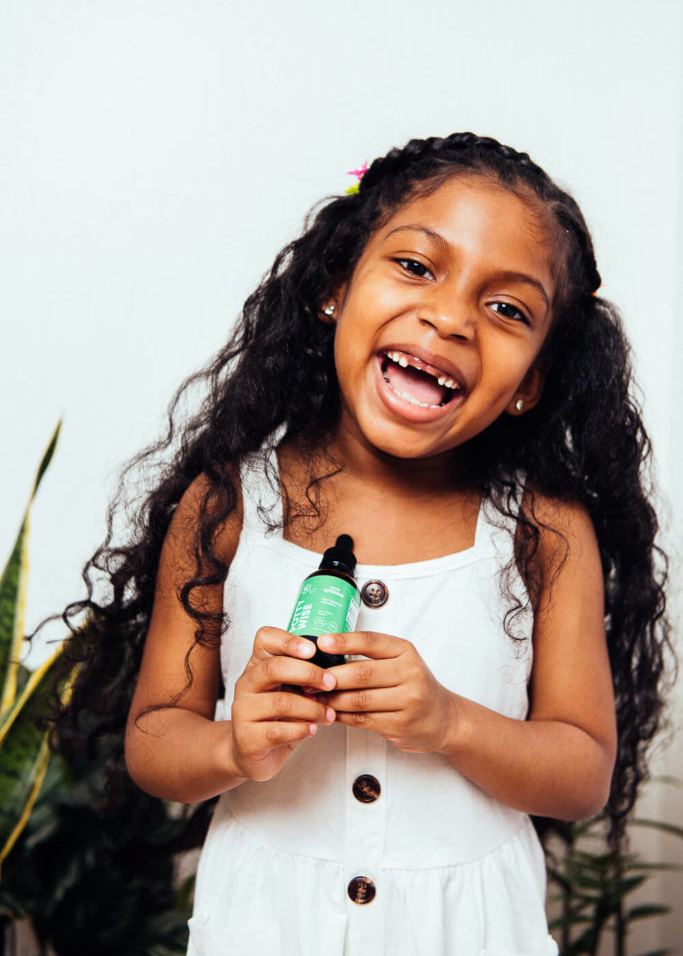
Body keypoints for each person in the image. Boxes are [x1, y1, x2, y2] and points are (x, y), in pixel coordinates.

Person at [58, 133, 670, 955]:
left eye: (507, 308)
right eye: (416, 266)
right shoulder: (229, 503)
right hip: (265, 924)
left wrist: (449, 721)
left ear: (531, 381)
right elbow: (154, 741)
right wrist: (234, 741)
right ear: (333, 290)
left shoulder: (542, 528)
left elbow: (581, 772)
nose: (449, 318)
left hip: (467, 933)